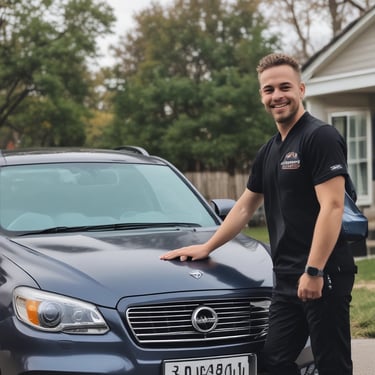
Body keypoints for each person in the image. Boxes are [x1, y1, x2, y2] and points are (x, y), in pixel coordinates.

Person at [160, 52, 356, 375]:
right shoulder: (269, 150)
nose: (277, 96)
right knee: (274, 362)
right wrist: (207, 246)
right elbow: (244, 207)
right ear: (262, 96)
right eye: (269, 90)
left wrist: (315, 270)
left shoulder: (319, 138)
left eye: (284, 87)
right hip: (286, 279)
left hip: (324, 274)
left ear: (301, 89)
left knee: (332, 364)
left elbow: (332, 207)